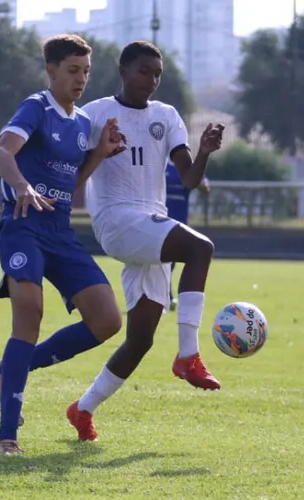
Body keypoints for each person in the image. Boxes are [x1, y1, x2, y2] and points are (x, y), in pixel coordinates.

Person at [65, 40, 225, 442]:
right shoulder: (97, 113)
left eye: (157, 74)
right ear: (122, 71)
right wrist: (100, 152)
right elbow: (73, 179)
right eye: (143, 71)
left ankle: (82, 409)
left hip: (152, 223)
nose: (151, 80)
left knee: (140, 340)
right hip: (116, 220)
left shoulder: (167, 116)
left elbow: (188, 179)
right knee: (200, 248)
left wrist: (204, 152)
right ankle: (188, 355)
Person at [0, 34, 126, 456]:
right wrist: (23, 187)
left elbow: (69, 183)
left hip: (60, 233)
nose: (81, 79)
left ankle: (7, 370)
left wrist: (99, 154)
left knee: (107, 321)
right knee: (29, 312)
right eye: (72, 70)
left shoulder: (83, 123)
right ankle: (6, 437)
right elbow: (1, 155)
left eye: (86, 71)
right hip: (23, 226)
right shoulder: (36, 107)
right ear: (51, 70)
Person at [165, 162, 210, 311]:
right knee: (161, 260)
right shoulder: (158, 165)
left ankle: (166, 295)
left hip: (179, 222)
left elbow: (205, 187)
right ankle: (163, 296)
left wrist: (196, 180)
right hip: (159, 218)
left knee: (170, 261)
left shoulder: (185, 167)